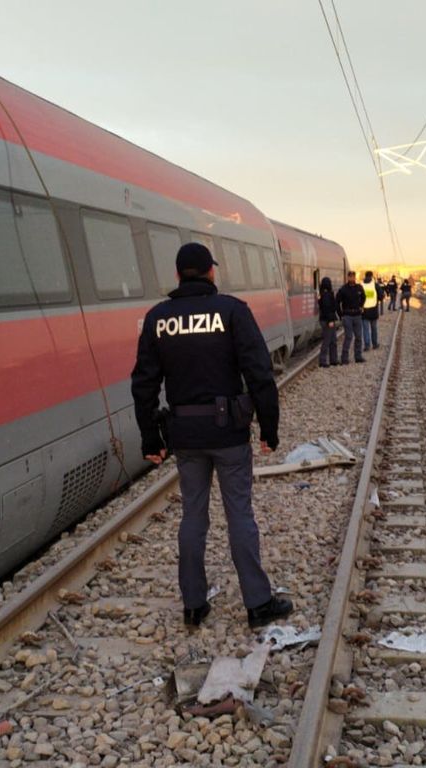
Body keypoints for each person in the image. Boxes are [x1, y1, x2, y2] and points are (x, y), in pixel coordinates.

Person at [131, 242, 293, 629]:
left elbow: (144, 385)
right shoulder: (231, 311)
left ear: (177, 275)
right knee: (239, 514)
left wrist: (150, 440)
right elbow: (259, 373)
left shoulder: (158, 318)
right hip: (229, 434)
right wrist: (269, 429)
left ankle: (193, 604)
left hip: (185, 436)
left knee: (192, 516)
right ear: (210, 272)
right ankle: (257, 604)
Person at [336, 270, 365, 364]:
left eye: (353, 276)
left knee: (359, 337)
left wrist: (361, 306)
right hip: (347, 315)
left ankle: (358, 356)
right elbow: (337, 302)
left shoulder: (359, 288)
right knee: (348, 336)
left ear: (355, 277)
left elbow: (364, 297)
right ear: (348, 277)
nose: (352, 278)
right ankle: (344, 358)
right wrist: (341, 314)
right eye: (350, 276)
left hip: (357, 315)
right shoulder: (343, 289)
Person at [318, 276, 338, 367]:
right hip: (327, 320)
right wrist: (330, 320)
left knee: (333, 340)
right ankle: (323, 361)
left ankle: (333, 360)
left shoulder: (324, 294)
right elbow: (327, 308)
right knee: (327, 341)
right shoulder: (326, 295)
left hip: (328, 319)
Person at [361, 270, 380, 351]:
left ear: (365, 276)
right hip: (373, 310)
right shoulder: (375, 285)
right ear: (372, 276)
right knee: (374, 328)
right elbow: (381, 295)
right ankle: (375, 344)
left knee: (365, 329)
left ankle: (367, 345)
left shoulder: (361, 285)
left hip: (364, 311)